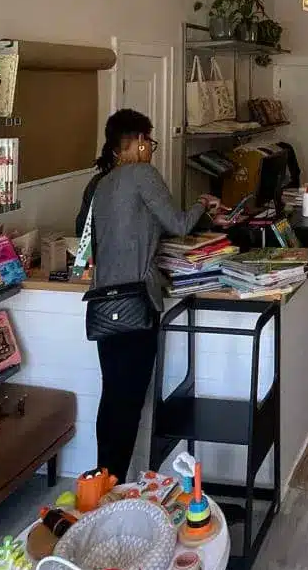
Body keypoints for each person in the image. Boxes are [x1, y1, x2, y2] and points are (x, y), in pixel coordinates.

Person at [78, 109, 219, 481]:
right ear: (139, 141)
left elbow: (90, 237)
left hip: (102, 304)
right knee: (128, 405)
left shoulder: (102, 183)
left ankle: (104, 482)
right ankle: (117, 488)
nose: (152, 150)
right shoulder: (142, 173)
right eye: (151, 142)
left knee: (112, 401)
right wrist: (204, 205)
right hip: (135, 304)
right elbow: (179, 224)